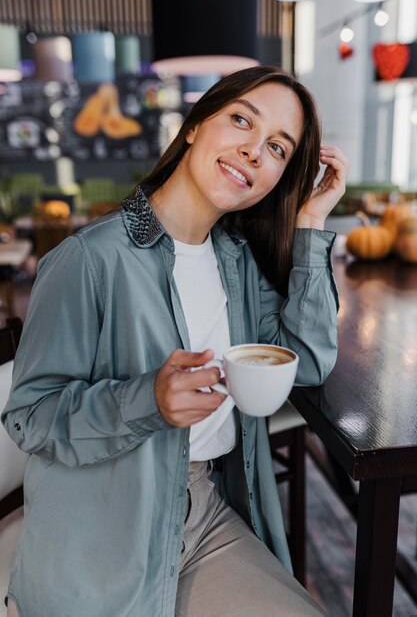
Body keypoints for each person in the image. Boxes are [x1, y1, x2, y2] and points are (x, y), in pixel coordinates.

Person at [2, 65, 348, 617]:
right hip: (102, 531)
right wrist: (149, 401)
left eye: (278, 149)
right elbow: (29, 416)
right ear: (194, 126)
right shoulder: (88, 259)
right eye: (241, 120)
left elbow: (303, 362)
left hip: (203, 514)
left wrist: (310, 223)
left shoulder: (237, 264)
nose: (255, 152)